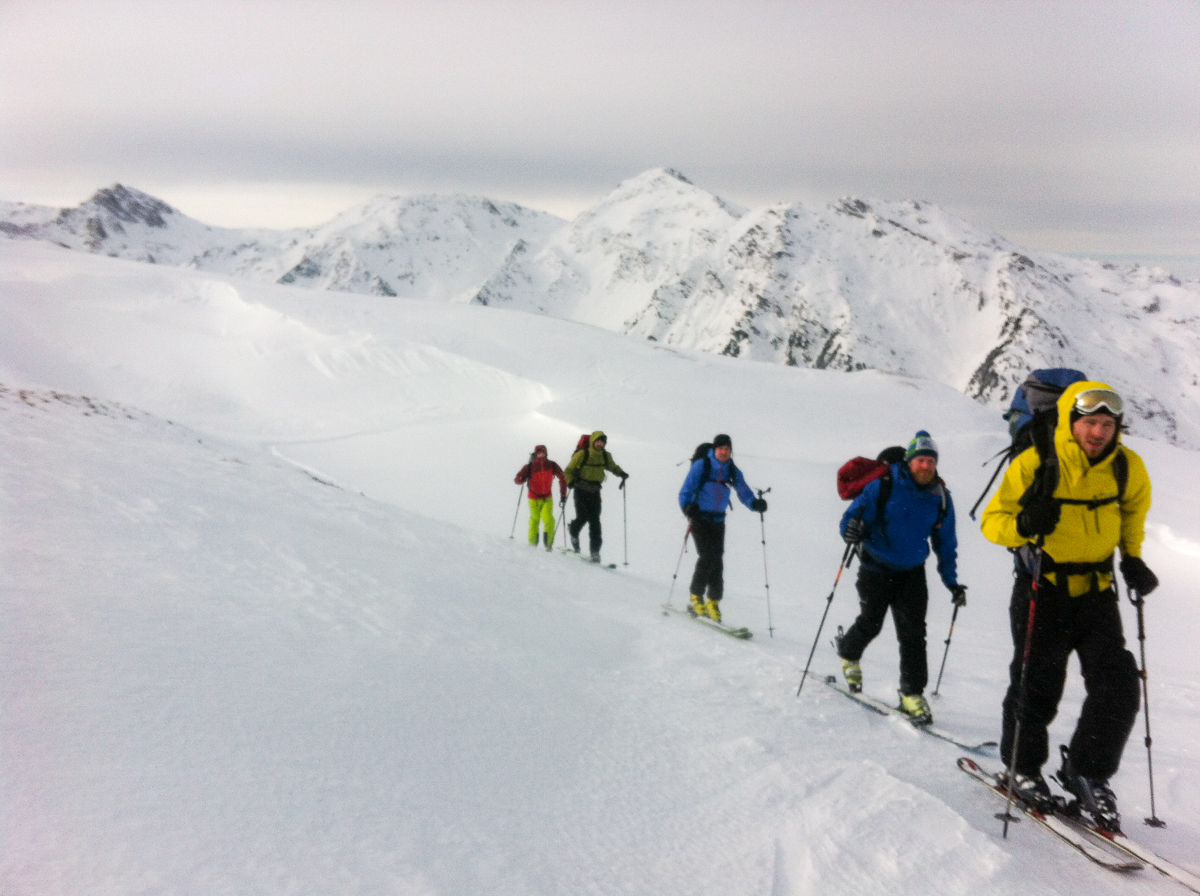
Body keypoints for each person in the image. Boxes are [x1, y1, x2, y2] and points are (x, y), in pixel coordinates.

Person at [981, 381, 1155, 832]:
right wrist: (1023, 524)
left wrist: (1132, 557)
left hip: (1098, 590)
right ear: (1070, 422)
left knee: (1118, 684)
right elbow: (992, 522)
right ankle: (1021, 766)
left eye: (1106, 424)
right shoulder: (1037, 461)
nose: (1097, 432)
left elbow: (1132, 511)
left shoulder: (1126, 466)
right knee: (1036, 683)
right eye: (1089, 422)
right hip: (1044, 586)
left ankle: (1087, 772)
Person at [837, 431, 965, 724]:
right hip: (875, 566)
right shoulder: (883, 484)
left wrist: (952, 582)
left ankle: (912, 694)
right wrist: (850, 531)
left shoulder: (940, 497)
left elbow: (946, 543)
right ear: (909, 461)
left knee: (913, 635)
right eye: (920, 459)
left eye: (930, 461)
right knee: (871, 622)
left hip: (911, 573)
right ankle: (848, 652)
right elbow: (850, 518)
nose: (925, 466)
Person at [678, 434, 766, 623]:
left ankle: (713, 601)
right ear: (715, 449)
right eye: (721, 449)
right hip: (699, 517)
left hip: (718, 519)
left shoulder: (732, 470)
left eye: (727, 449)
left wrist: (755, 504)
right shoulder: (702, 465)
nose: (724, 452)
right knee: (707, 556)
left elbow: (744, 491)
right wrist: (686, 507)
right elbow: (686, 490)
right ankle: (696, 595)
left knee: (717, 560)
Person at [564, 431, 628, 563]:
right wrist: (570, 481)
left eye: (603, 442)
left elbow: (612, 467)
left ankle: (595, 553)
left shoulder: (605, 455)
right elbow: (568, 470)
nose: (600, 444)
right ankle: (573, 530)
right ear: (593, 441)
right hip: (580, 490)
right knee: (583, 517)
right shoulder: (583, 454)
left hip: (595, 491)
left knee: (595, 522)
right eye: (598, 441)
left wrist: (621, 473)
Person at [514, 445, 567, 551]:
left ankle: (548, 545)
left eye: (543, 452)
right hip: (533, 497)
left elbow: (562, 477)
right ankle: (533, 545)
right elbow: (517, 480)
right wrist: (522, 478)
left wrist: (563, 495)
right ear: (535, 454)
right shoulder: (530, 466)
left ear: (546, 453)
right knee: (535, 520)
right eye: (539, 453)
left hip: (547, 497)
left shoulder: (551, 465)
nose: (541, 454)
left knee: (549, 519)